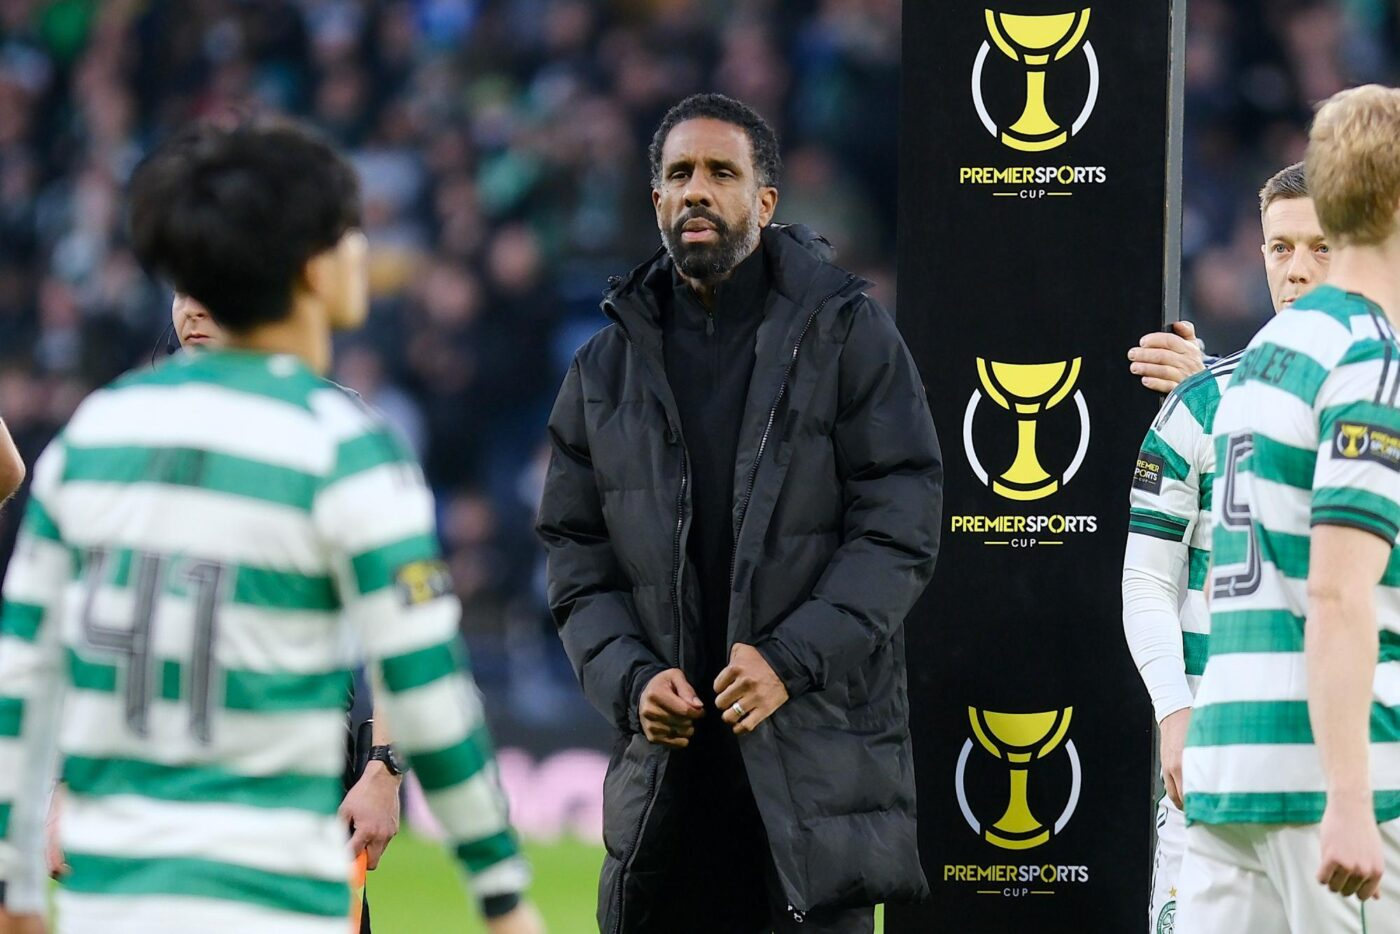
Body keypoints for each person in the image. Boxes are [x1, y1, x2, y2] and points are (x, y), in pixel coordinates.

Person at [0, 120, 540, 934]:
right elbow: (427, 677)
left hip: (123, 884)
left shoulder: (93, 438)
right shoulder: (344, 445)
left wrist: (19, 875)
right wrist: (502, 898)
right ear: (310, 268)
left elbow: (30, 666)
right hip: (282, 883)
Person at [537, 92, 941, 933]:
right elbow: (576, 562)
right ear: (656, 200)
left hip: (813, 778)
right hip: (668, 791)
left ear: (765, 202)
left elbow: (898, 530)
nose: (697, 190)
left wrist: (789, 661)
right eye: (679, 174)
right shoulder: (602, 369)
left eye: (721, 172)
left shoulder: (849, 335)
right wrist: (632, 681)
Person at [1177, 84, 1400, 932]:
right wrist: (1351, 797)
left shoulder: (1267, 353)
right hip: (1331, 779)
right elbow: (1337, 593)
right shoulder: (1369, 359)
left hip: (1230, 764)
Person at [1121, 161, 1330, 933]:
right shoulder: (1198, 404)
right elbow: (1147, 580)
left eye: (1321, 246)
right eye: (1280, 248)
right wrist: (1175, 712)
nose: (1296, 270)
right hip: (1216, 762)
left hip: (1352, 769)